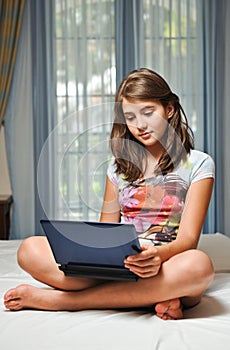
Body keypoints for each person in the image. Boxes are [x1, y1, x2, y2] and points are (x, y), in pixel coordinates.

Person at [4, 68, 215, 320]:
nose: (140, 125)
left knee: (199, 266)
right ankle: (154, 296)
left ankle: (66, 301)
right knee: (28, 249)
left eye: (148, 112)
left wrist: (156, 256)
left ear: (169, 109)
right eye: (130, 117)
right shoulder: (117, 168)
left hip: (166, 263)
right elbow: (107, 230)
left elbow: (188, 240)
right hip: (120, 265)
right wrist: (95, 252)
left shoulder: (199, 164)